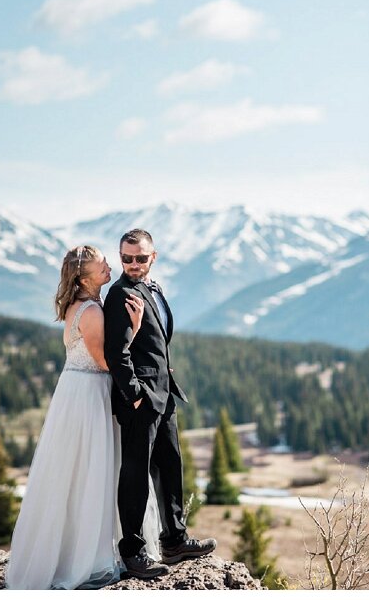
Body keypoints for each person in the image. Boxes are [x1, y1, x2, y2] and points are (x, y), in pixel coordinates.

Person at [5, 245, 149, 589]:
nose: (110, 268)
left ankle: (68, 551)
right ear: (85, 277)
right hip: (90, 394)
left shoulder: (76, 306)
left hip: (72, 391)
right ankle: (88, 558)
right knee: (93, 472)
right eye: (103, 266)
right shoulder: (92, 312)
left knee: (72, 473)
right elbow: (104, 361)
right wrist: (135, 328)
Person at [103, 229, 216, 579]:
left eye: (140, 258)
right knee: (136, 472)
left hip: (163, 393)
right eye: (126, 258)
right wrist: (135, 395)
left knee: (170, 464)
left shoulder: (153, 287)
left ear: (154, 257)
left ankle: (174, 539)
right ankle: (133, 552)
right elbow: (115, 353)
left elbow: (155, 339)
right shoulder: (120, 294)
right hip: (140, 399)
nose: (133, 264)